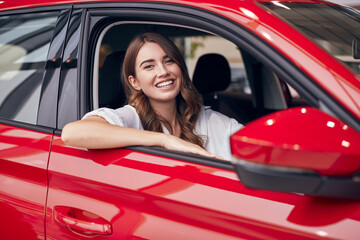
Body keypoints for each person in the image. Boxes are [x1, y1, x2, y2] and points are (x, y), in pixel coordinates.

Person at [61, 32, 242, 160]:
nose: (163, 72)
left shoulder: (208, 120)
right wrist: (165, 141)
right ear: (135, 82)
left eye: (169, 61)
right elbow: (72, 133)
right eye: (149, 66)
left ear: (180, 67)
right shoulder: (130, 117)